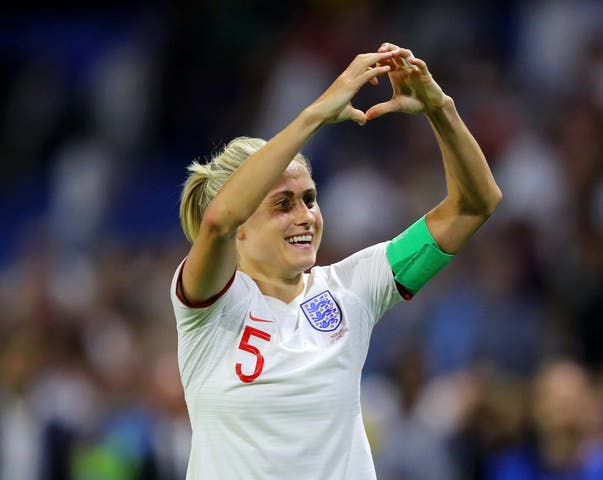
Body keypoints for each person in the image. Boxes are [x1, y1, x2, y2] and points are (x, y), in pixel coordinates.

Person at [170, 42, 502, 479]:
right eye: (282, 204)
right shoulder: (208, 307)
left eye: (310, 199)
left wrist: (440, 109)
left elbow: (474, 205)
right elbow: (216, 222)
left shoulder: (353, 288)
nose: (305, 216)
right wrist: (316, 114)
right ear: (243, 225)